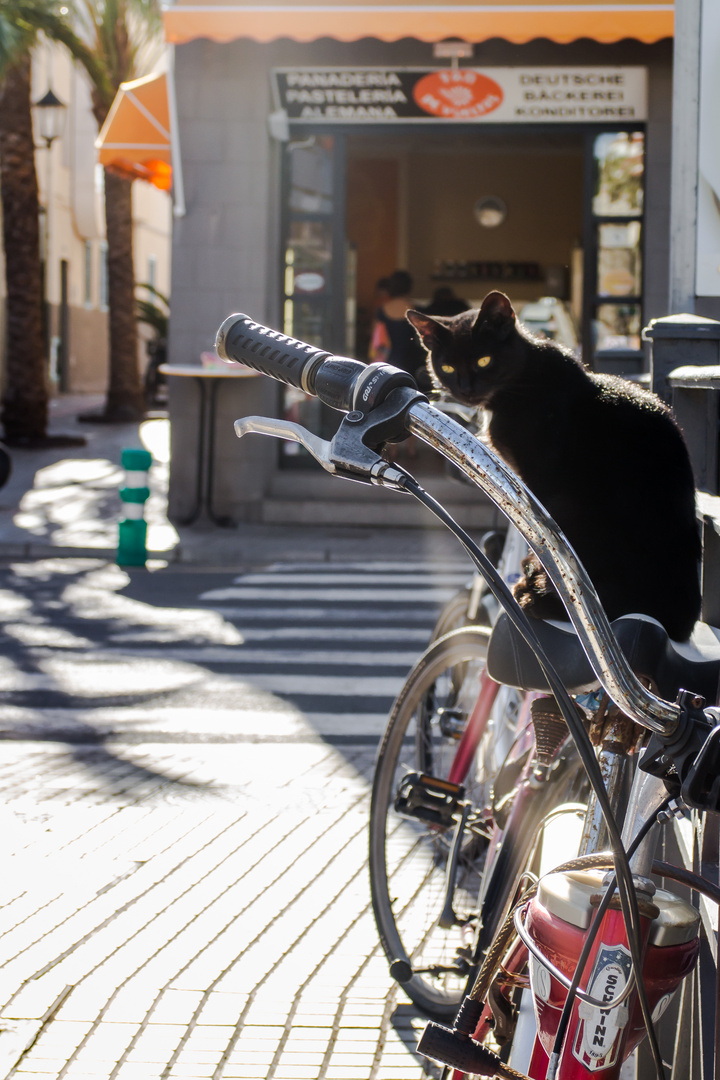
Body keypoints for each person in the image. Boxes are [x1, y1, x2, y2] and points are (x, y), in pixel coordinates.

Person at [370, 270, 426, 378]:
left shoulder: (382, 310)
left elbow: (376, 338)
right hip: (412, 362)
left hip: (387, 362)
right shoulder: (415, 310)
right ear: (409, 287)